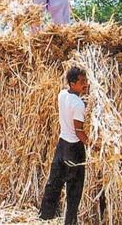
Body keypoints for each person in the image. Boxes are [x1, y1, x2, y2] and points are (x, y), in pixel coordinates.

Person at [39, 67, 88, 225]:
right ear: (73, 84)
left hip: (61, 146)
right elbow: (79, 131)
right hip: (74, 149)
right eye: (82, 82)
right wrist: (93, 144)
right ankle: (70, 222)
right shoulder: (79, 105)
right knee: (74, 190)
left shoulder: (62, 95)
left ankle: (45, 217)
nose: (86, 84)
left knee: (54, 183)